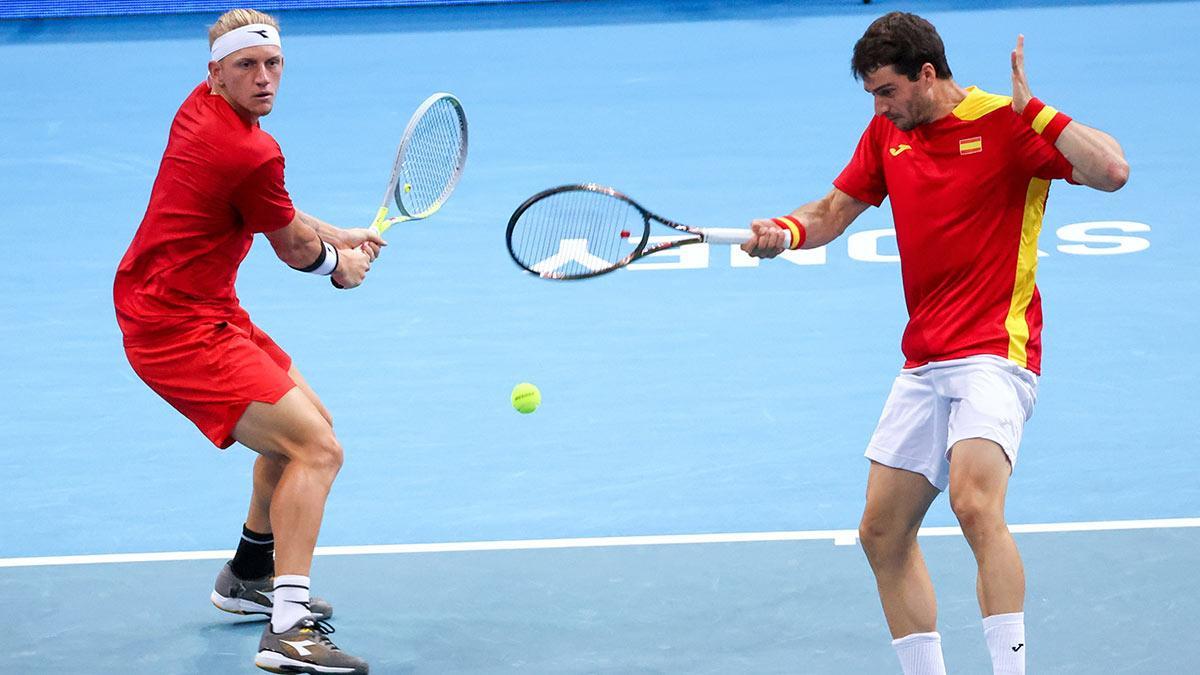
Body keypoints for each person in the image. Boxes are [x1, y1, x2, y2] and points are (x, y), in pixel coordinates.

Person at [742, 12, 1128, 675]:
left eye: (886, 91)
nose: (879, 107)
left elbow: (1113, 171)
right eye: (871, 96)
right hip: (924, 360)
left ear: (927, 74)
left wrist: (1035, 110)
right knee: (881, 533)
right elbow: (832, 212)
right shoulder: (887, 134)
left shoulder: (1007, 122)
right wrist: (784, 230)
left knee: (974, 501)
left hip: (995, 352)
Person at [113, 8, 382, 674]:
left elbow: (272, 209)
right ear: (216, 74)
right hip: (174, 329)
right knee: (316, 449)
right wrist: (338, 266)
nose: (264, 79)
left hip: (199, 307)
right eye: (246, 67)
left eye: (273, 64)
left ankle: (249, 572)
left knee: (309, 427)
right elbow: (292, 246)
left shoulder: (200, 108)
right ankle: (288, 629)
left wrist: (339, 233)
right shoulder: (251, 148)